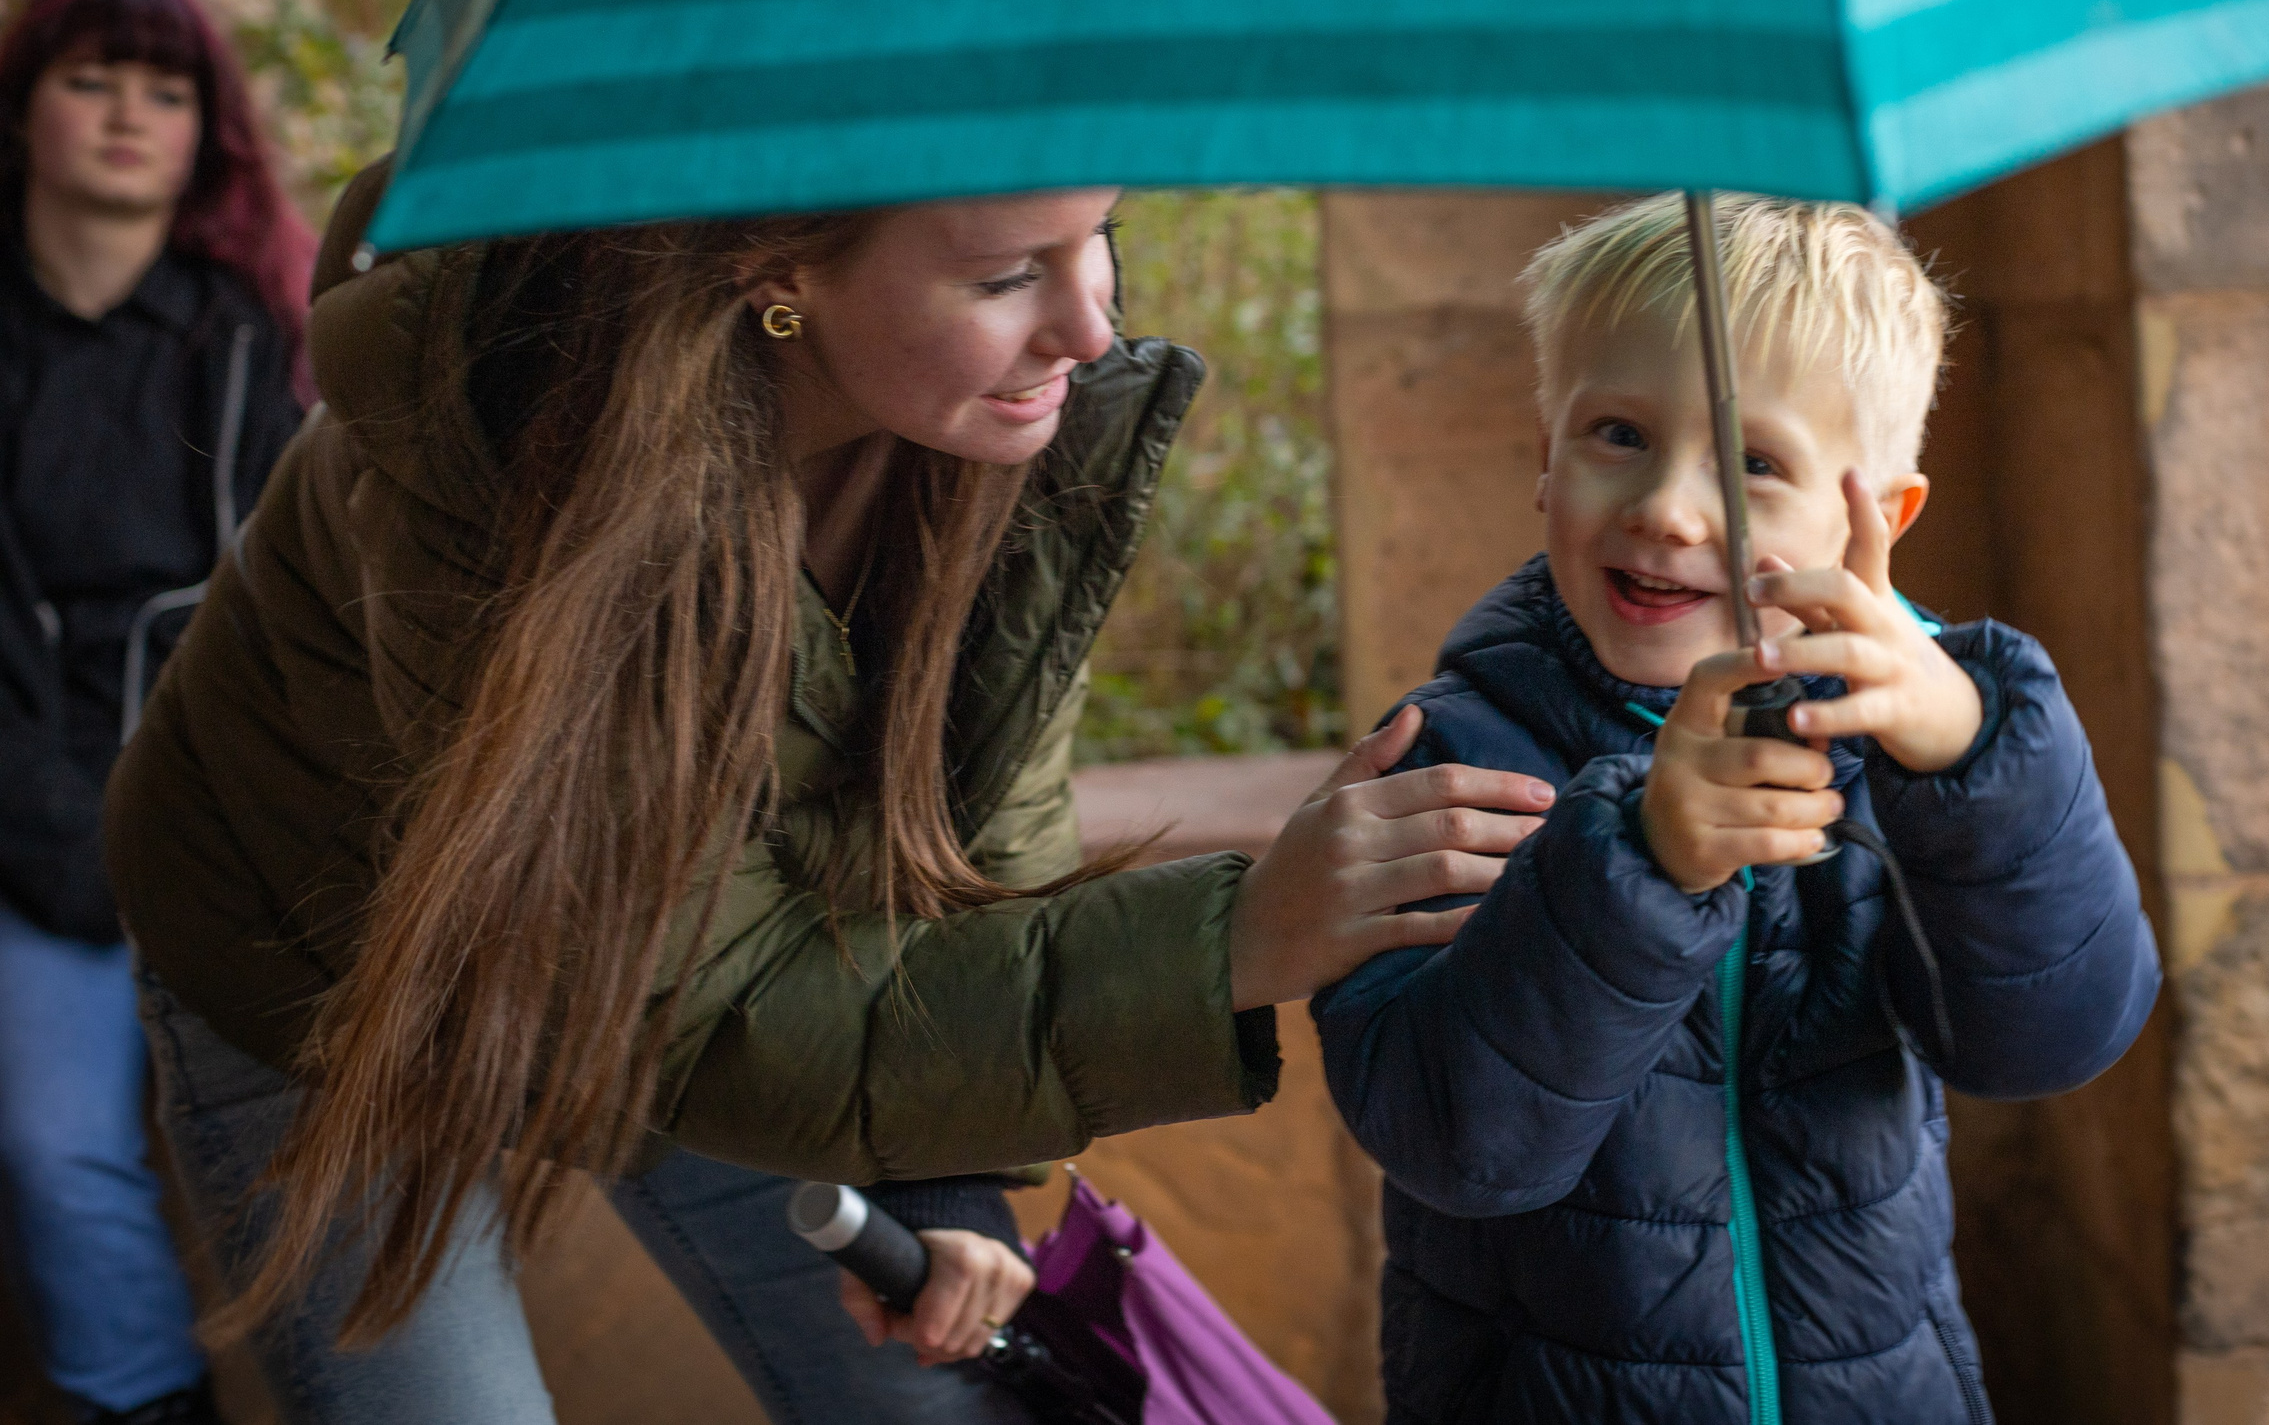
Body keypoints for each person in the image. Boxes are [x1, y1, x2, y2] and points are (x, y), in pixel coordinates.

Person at [101, 160, 1550, 1423]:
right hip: (328, 959)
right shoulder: (513, 467)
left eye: (1099, 234)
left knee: (944, 1386)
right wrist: (1233, 940)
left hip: (712, 960)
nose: (1092, 322)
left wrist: (943, 1182)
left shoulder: (989, 400)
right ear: (779, 273)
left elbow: (976, 805)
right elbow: (717, 1015)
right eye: (1006, 274)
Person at [1313, 193, 2162, 1423]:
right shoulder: (1449, 761)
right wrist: (1637, 868)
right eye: (1615, 433)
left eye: (1752, 463)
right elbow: (1456, 1141)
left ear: (1879, 514)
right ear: (1543, 458)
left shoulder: (1910, 735)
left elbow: (2047, 1039)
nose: (1666, 508)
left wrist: (1969, 765)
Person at [0, 0, 311, 1424]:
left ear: (204, 130)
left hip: (228, 827)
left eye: (166, 87)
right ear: (24, 112)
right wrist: (67, 842)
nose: (130, 113)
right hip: (23, 832)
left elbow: (296, 629)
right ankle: (146, 1402)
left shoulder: (252, 341)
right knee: (52, 1136)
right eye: (90, 77)